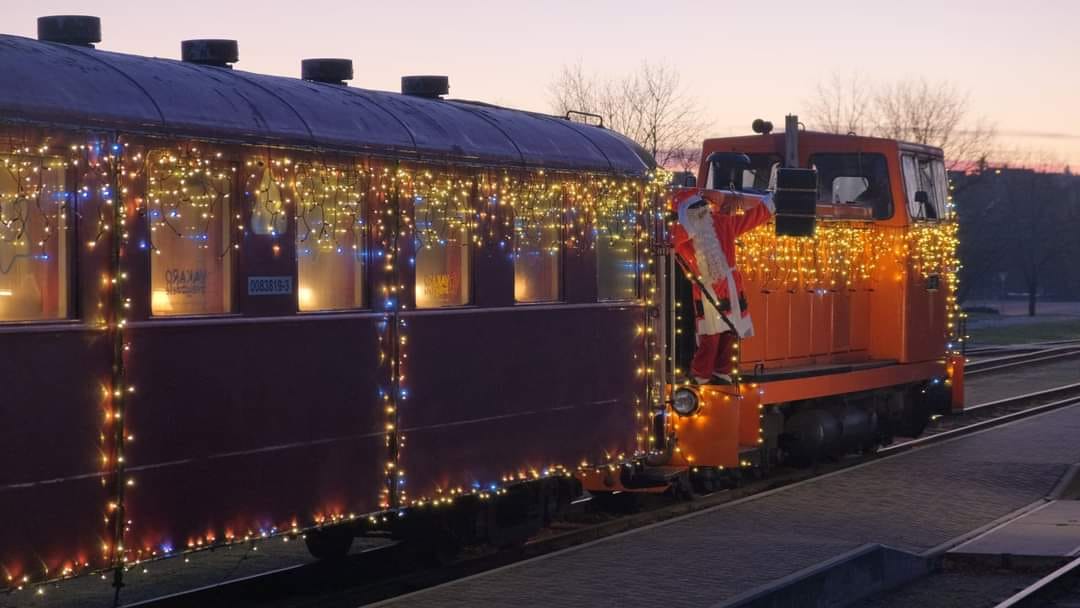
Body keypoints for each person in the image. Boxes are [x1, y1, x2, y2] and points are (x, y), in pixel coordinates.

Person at [671, 188, 775, 384]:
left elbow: (748, 220)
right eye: (695, 210)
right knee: (710, 333)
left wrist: (770, 205)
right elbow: (671, 241)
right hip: (706, 290)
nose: (702, 213)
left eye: (702, 208)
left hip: (731, 285)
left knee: (732, 330)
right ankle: (701, 374)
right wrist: (690, 227)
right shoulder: (682, 234)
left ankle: (723, 370)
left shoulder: (720, 223)